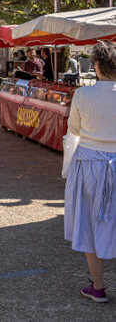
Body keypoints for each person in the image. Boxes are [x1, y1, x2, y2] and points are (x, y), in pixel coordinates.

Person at [63, 41, 116, 303]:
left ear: (96, 65)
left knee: (89, 223)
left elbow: (74, 129)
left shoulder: (83, 95)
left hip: (89, 163)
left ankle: (98, 285)